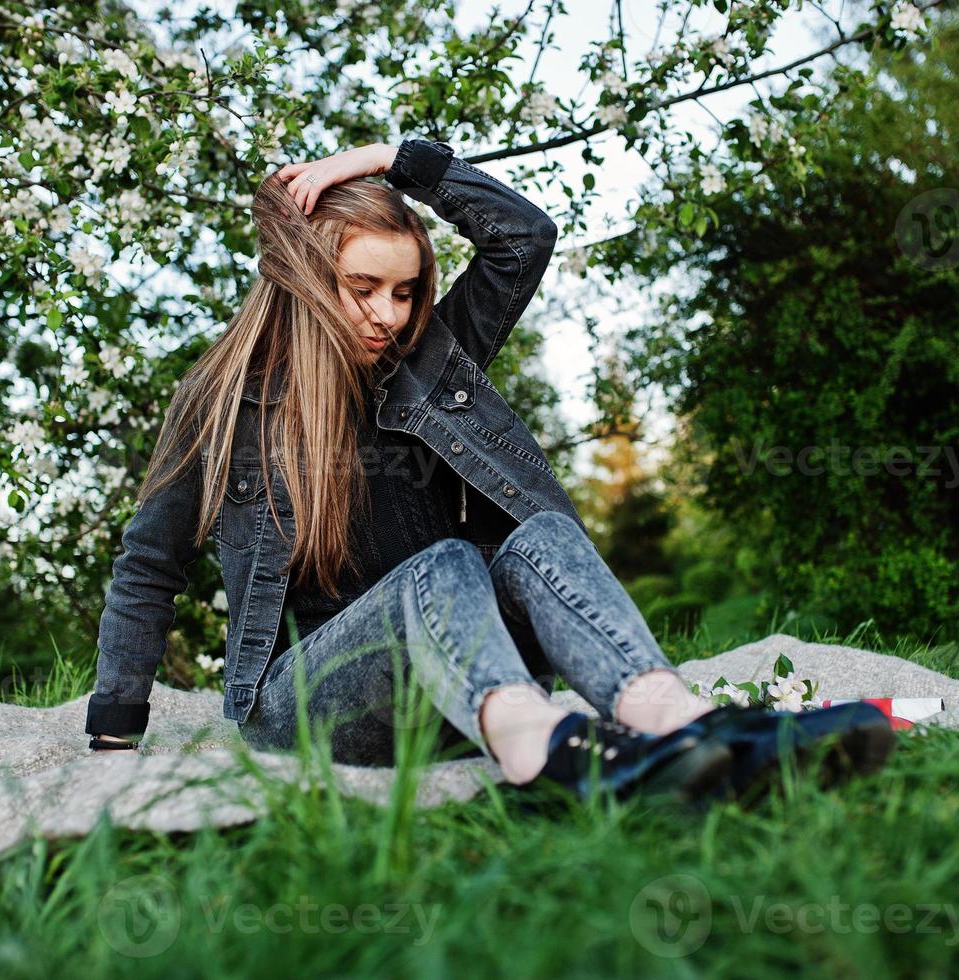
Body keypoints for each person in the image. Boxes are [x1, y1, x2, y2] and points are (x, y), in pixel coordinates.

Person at [82, 137, 896, 805]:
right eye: (362, 287)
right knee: (440, 565)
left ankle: (682, 727)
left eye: (405, 292)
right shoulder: (225, 400)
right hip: (308, 701)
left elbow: (522, 237)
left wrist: (384, 159)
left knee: (538, 533)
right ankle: (545, 752)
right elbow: (149, 565)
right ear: (303, 277)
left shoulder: (432, 360)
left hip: (463, 674)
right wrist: (114, 731)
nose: (388, 314)